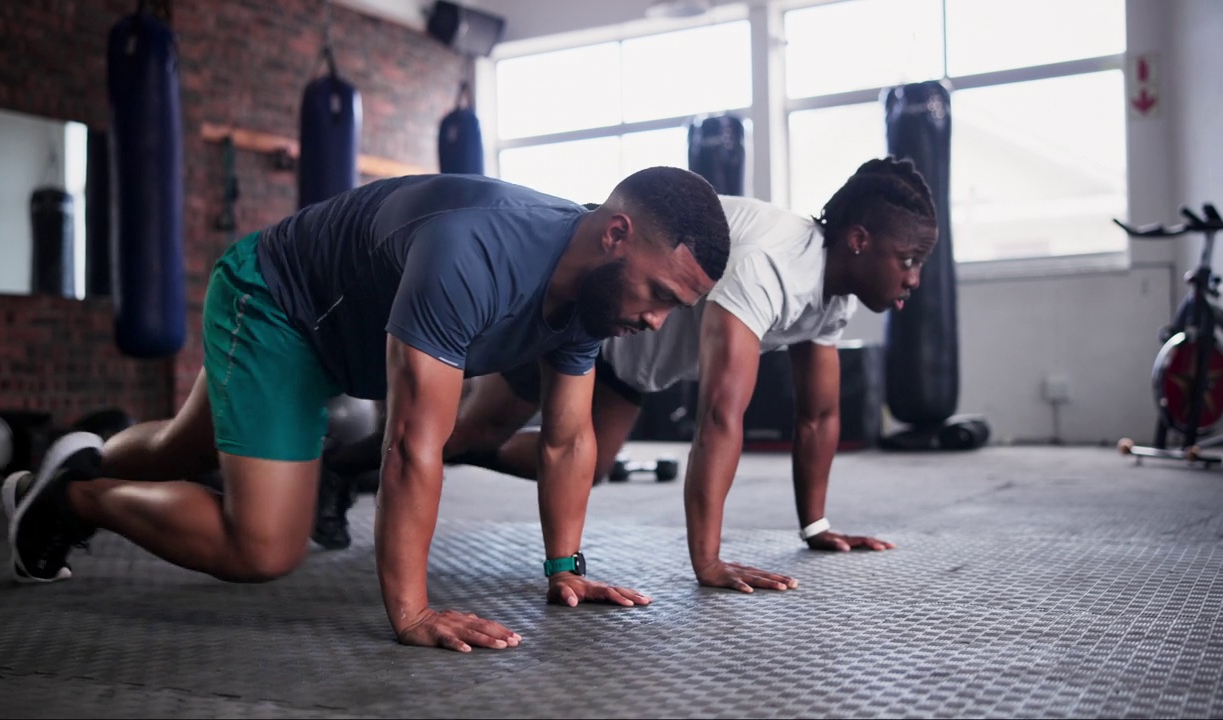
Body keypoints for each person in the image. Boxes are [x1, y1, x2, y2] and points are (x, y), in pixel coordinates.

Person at [2, 167, 732, 653]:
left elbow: (569, 441)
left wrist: (565, 565)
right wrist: (411, 610)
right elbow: (415, 444)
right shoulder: (477, 250)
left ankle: (70, 465)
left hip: (343, 344)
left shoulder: (594, 296)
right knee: (263, 545)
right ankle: (72, 500)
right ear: (615, 237)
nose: (659, 322)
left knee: (179, 454)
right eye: (662, 296)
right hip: (277, 305)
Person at [320, 156, 939, 593]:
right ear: (859, 240)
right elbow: (721, 414)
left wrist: (816, 526)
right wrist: (710, 562)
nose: (913, 278)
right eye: (908, 260)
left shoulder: (833, 300)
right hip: (596, 313)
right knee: (461, 436)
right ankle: (343, 467)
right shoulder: (773, 264)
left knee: (584, 459)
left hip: (634, 362)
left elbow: (818, 416)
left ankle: (374, 463)